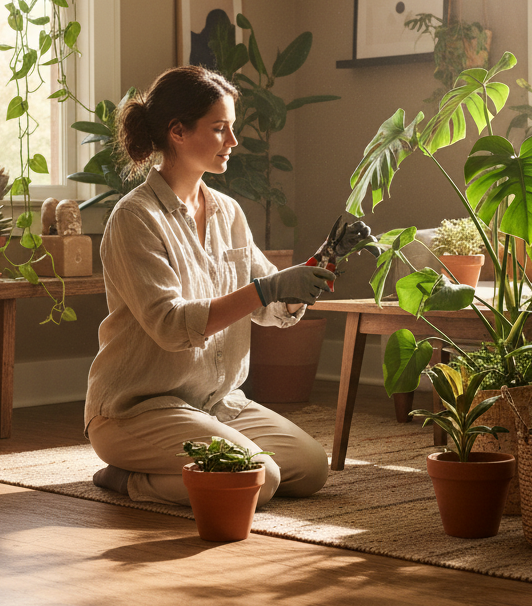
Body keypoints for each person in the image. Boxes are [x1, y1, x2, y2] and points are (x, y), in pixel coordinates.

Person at [85, 65, 372, 508]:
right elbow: (171, 326)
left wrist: (322, 261)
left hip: (216, 402)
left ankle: (191, 465)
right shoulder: (135, 218)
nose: (233, 142)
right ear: (177, 132)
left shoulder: (228, 212)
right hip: (136, 412)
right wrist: (268, 287)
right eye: (220, 129)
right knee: (262, 477)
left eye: (232, 128)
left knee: (311, 469)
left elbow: (270, 305)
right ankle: (128, 479)